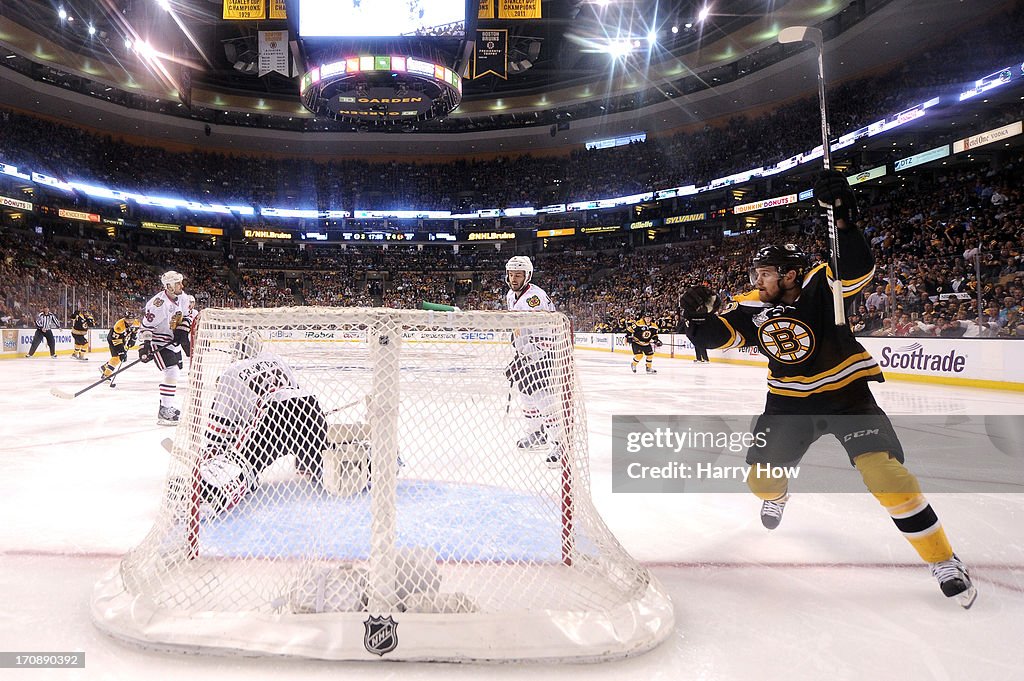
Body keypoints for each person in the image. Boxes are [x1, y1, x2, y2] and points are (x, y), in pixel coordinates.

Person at [680, 170, 976, 608]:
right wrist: (696, 317)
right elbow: (713, 339)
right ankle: (780, 494)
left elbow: (858, 266)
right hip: (786, 405)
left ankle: (944, 560)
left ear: (791, 273)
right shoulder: (751, 306)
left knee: (888, 478)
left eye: (765, 273)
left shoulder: (824, 284)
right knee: (760, 483)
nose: (757, 281)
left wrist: (843, 218)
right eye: (756, 274)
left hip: (847, 398)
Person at [172, 330, 329, 519]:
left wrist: (213, 454)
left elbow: (222, 422)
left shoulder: (232, 372)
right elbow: (293, 390)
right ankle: (332, 466)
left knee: (242, 465)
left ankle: (208, 495)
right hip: (309, 407)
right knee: (325, 459)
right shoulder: (275, 359)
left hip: (273, 416)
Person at [503, 255, 561, 467]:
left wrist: (529, 353)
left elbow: (546, 330)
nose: (514, 278)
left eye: (518, 274)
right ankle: (537, 434)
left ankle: (560, 443)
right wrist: (519, 349)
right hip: (525, 354)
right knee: (527, 395)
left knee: (543, 398)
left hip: (542, 353)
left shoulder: (534, 298)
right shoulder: (511, 295)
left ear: (527, 275)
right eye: (511, 274)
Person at [139, 271, 197, 426]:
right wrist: (145, 346)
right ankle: (165, 410)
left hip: (172, 342)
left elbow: (187, 316)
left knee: (175, 371)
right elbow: (146, 327)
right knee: (172, 371)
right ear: (170, 286)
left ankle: (166, 405)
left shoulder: (183, 298)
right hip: (158, 342)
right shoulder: (158, 304)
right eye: (178, 283)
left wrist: (182, 331)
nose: (182, 285)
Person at [100, 313, 140, 385]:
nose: (130, 322)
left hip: (122, 339)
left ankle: (105, 367)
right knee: (117, 358)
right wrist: (121, 351)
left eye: (132, 320)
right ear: (124, 319)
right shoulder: (119, 326)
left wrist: (133, 339)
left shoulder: (136, 322)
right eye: (128, 320)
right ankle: (106, 375)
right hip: (113, 340)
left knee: (119, 358)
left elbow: (135, 331)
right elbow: (116, 340)